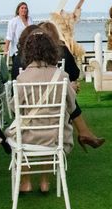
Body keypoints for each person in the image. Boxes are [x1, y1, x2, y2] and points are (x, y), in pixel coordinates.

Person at [10, 31, 77, 194]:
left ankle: (25, 181)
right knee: (50, 128)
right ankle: (45, 181)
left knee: (18, 130)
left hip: (28, 136)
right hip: (56, 136)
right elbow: (72, 106)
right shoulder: (61, 76)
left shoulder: (22, 78)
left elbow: (14, 108)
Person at [38, 21, 105, 151]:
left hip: (33, 100)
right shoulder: (61, 50)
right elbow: (75, 73)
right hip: (56, 101)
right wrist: (69, 85)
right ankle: (84, 132)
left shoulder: (31, 57)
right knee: (67, 92)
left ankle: (84, 132)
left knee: (66, 89)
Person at [5, 2, 32, 69]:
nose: (24, 10)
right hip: (17, 50)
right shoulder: (13, 21)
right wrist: (6, 49)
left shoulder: (30, 19)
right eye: (22, 8)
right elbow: (9, 36)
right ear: (18, 10)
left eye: (25, 8)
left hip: (29, 50)